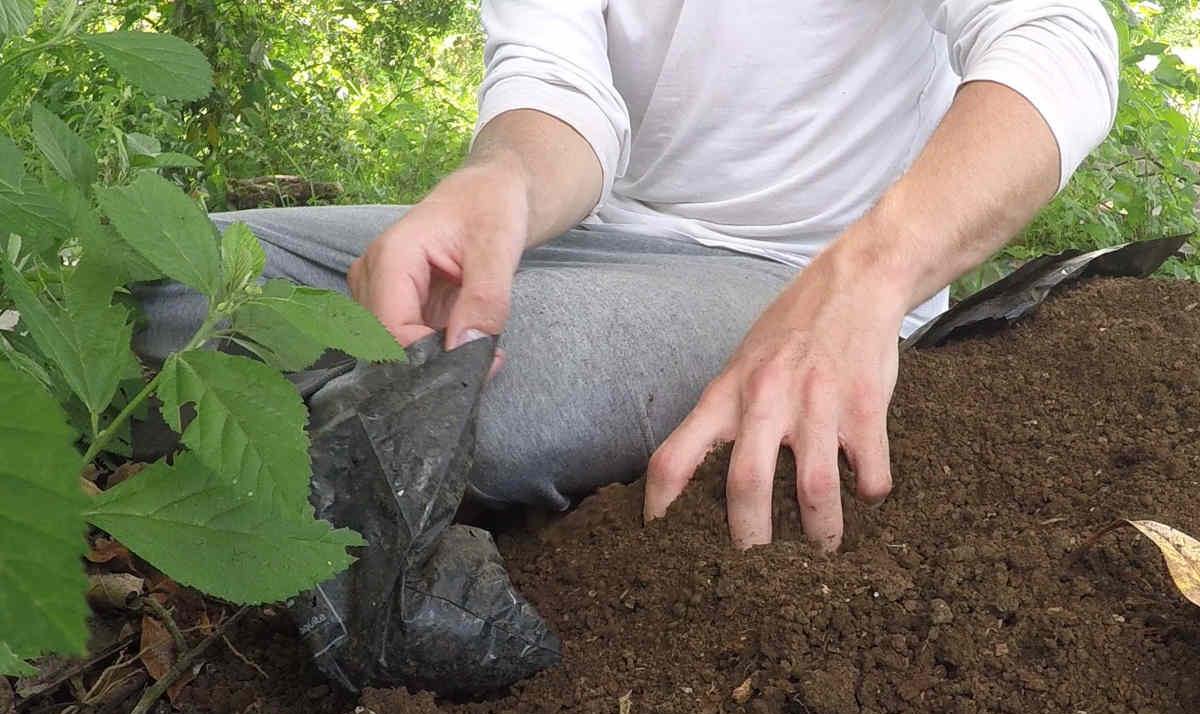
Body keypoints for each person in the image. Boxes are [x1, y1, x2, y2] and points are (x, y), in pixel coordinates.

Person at [138, 1, 1119, 551]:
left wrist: (868, 274)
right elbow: (559, 91)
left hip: (796, 272)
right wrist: (499, 182)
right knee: (154, 274)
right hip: (595, 236)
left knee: (481, 402)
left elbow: (1058, 41)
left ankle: (294, 440)